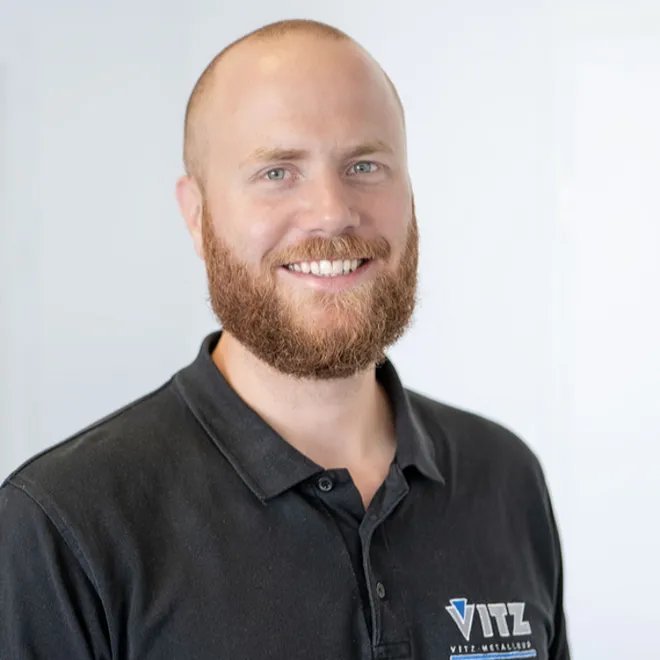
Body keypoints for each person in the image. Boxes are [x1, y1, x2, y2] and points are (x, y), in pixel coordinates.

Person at [0, 18, 570, 660]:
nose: (332, 212)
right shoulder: (63, 527)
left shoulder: (506, 479)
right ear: (197, 215)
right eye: (277, 172)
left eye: (364, 164)